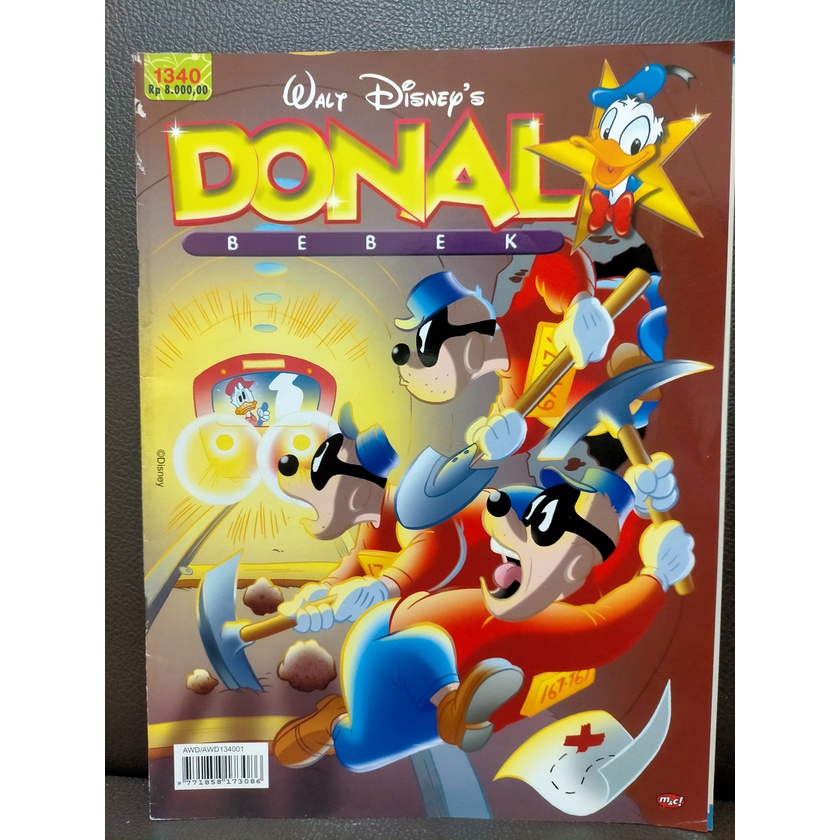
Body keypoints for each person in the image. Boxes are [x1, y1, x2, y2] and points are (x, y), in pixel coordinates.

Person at [272, 457, 693, 772]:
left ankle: (356, 720)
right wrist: (364, 586)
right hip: (388, 645)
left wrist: (646, 532)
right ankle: (444, 705)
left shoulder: (547, 605)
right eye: (530, 515)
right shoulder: (515, 591)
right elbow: (432, 525)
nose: (510, 524)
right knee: (388, 704)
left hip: (435, 687)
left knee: (364, 745)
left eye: (540, 525)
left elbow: (600, 612)